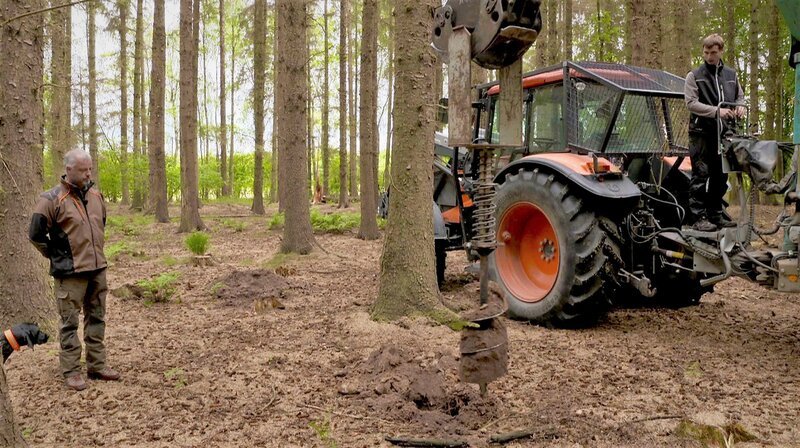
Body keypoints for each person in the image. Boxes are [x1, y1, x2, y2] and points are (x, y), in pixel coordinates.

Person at [29, 149, 120, 391]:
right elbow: (35, 234)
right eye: (83, 170)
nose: (88, 173)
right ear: (68, 170)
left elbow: (101, 225)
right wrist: (57, 255)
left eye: (90, 168)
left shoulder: (96, 195)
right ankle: (71, 371)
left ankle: (97, 365)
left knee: (97, 317)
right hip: (69, 274)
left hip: (97, 268)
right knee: (69, 323)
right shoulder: (50, 199)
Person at [684, 34, 747, 231]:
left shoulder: (731, 75)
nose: (709, 56)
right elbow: (691, 103)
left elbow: (740, 97)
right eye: (706, 52)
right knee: (700, 176)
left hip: (725, 135)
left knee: (721, 177)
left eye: (713, 52)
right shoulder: (694, 76)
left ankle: (715, 214)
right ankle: (698, 217)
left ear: (721, 51)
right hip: (701, 133)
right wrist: (717, 112)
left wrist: (740, 108)